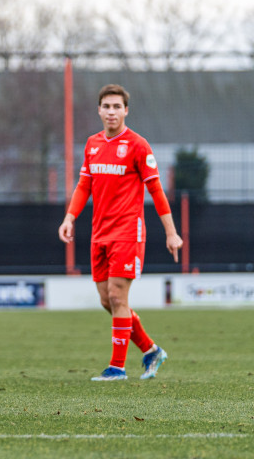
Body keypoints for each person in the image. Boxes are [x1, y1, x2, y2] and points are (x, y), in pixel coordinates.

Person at [58, 84, 183, 381]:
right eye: (107, 106)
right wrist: (69, 218)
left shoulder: (138, 145)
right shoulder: (92, 144)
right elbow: (83, 186)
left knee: (117, 295)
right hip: (98, 233)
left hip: (128, 232)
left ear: (126, 111)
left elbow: (156, 190)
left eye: (117, 107)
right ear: (99, 110)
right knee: (107, 300)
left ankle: (116, 368)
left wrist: (171, 233)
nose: (111, 112)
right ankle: (151, 349)